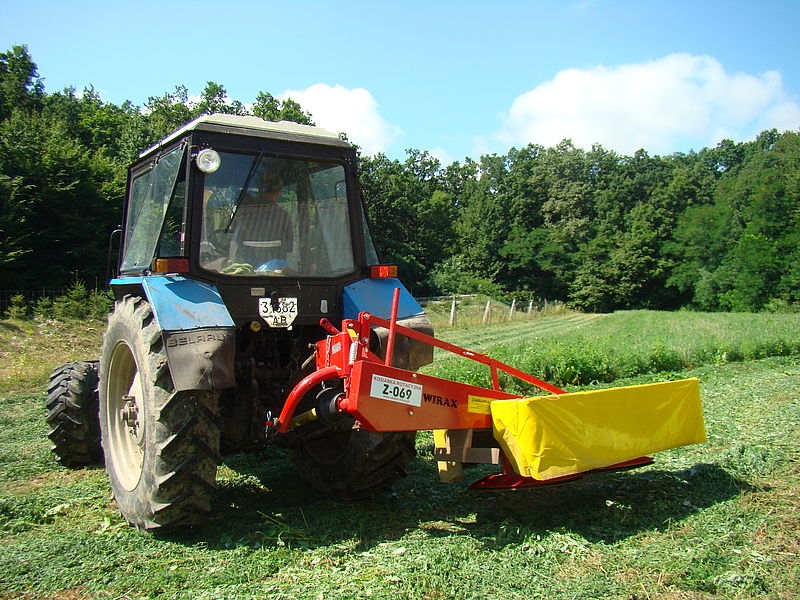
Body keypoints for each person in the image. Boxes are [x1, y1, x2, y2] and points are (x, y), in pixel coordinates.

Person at [229, 171, 293, 268]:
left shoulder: (241, 213)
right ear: (278, 192)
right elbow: (288, 248)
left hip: (243, 274)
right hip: (276, 276)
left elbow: (233, 239)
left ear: (260, 189)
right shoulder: (284, 216)